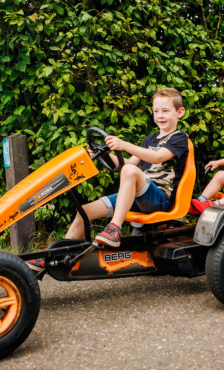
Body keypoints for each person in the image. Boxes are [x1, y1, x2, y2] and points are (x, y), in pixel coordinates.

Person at [64, 88, 189, 249]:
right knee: (84, 212)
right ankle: (60, 254)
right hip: (140, 196)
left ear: (180, 112)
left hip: (160, 199)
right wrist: (104, 154)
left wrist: (124, 145)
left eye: (165, 111)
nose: (160, 116)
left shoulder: (179, 137)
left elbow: (158, 157)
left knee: (129, 171)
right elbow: (128, 163)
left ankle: (114, 229)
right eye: (156, 111)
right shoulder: (150, 139)